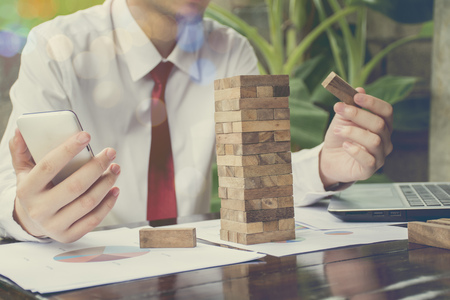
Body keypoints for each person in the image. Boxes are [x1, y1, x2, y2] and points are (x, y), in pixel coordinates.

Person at [0, 0, 393, 243]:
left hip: (196, 268)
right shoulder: (55, 47)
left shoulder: (231, 50)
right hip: (88, 266)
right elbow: (8, 186)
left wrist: (327, 165)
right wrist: (27, 215)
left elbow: (255, 181)